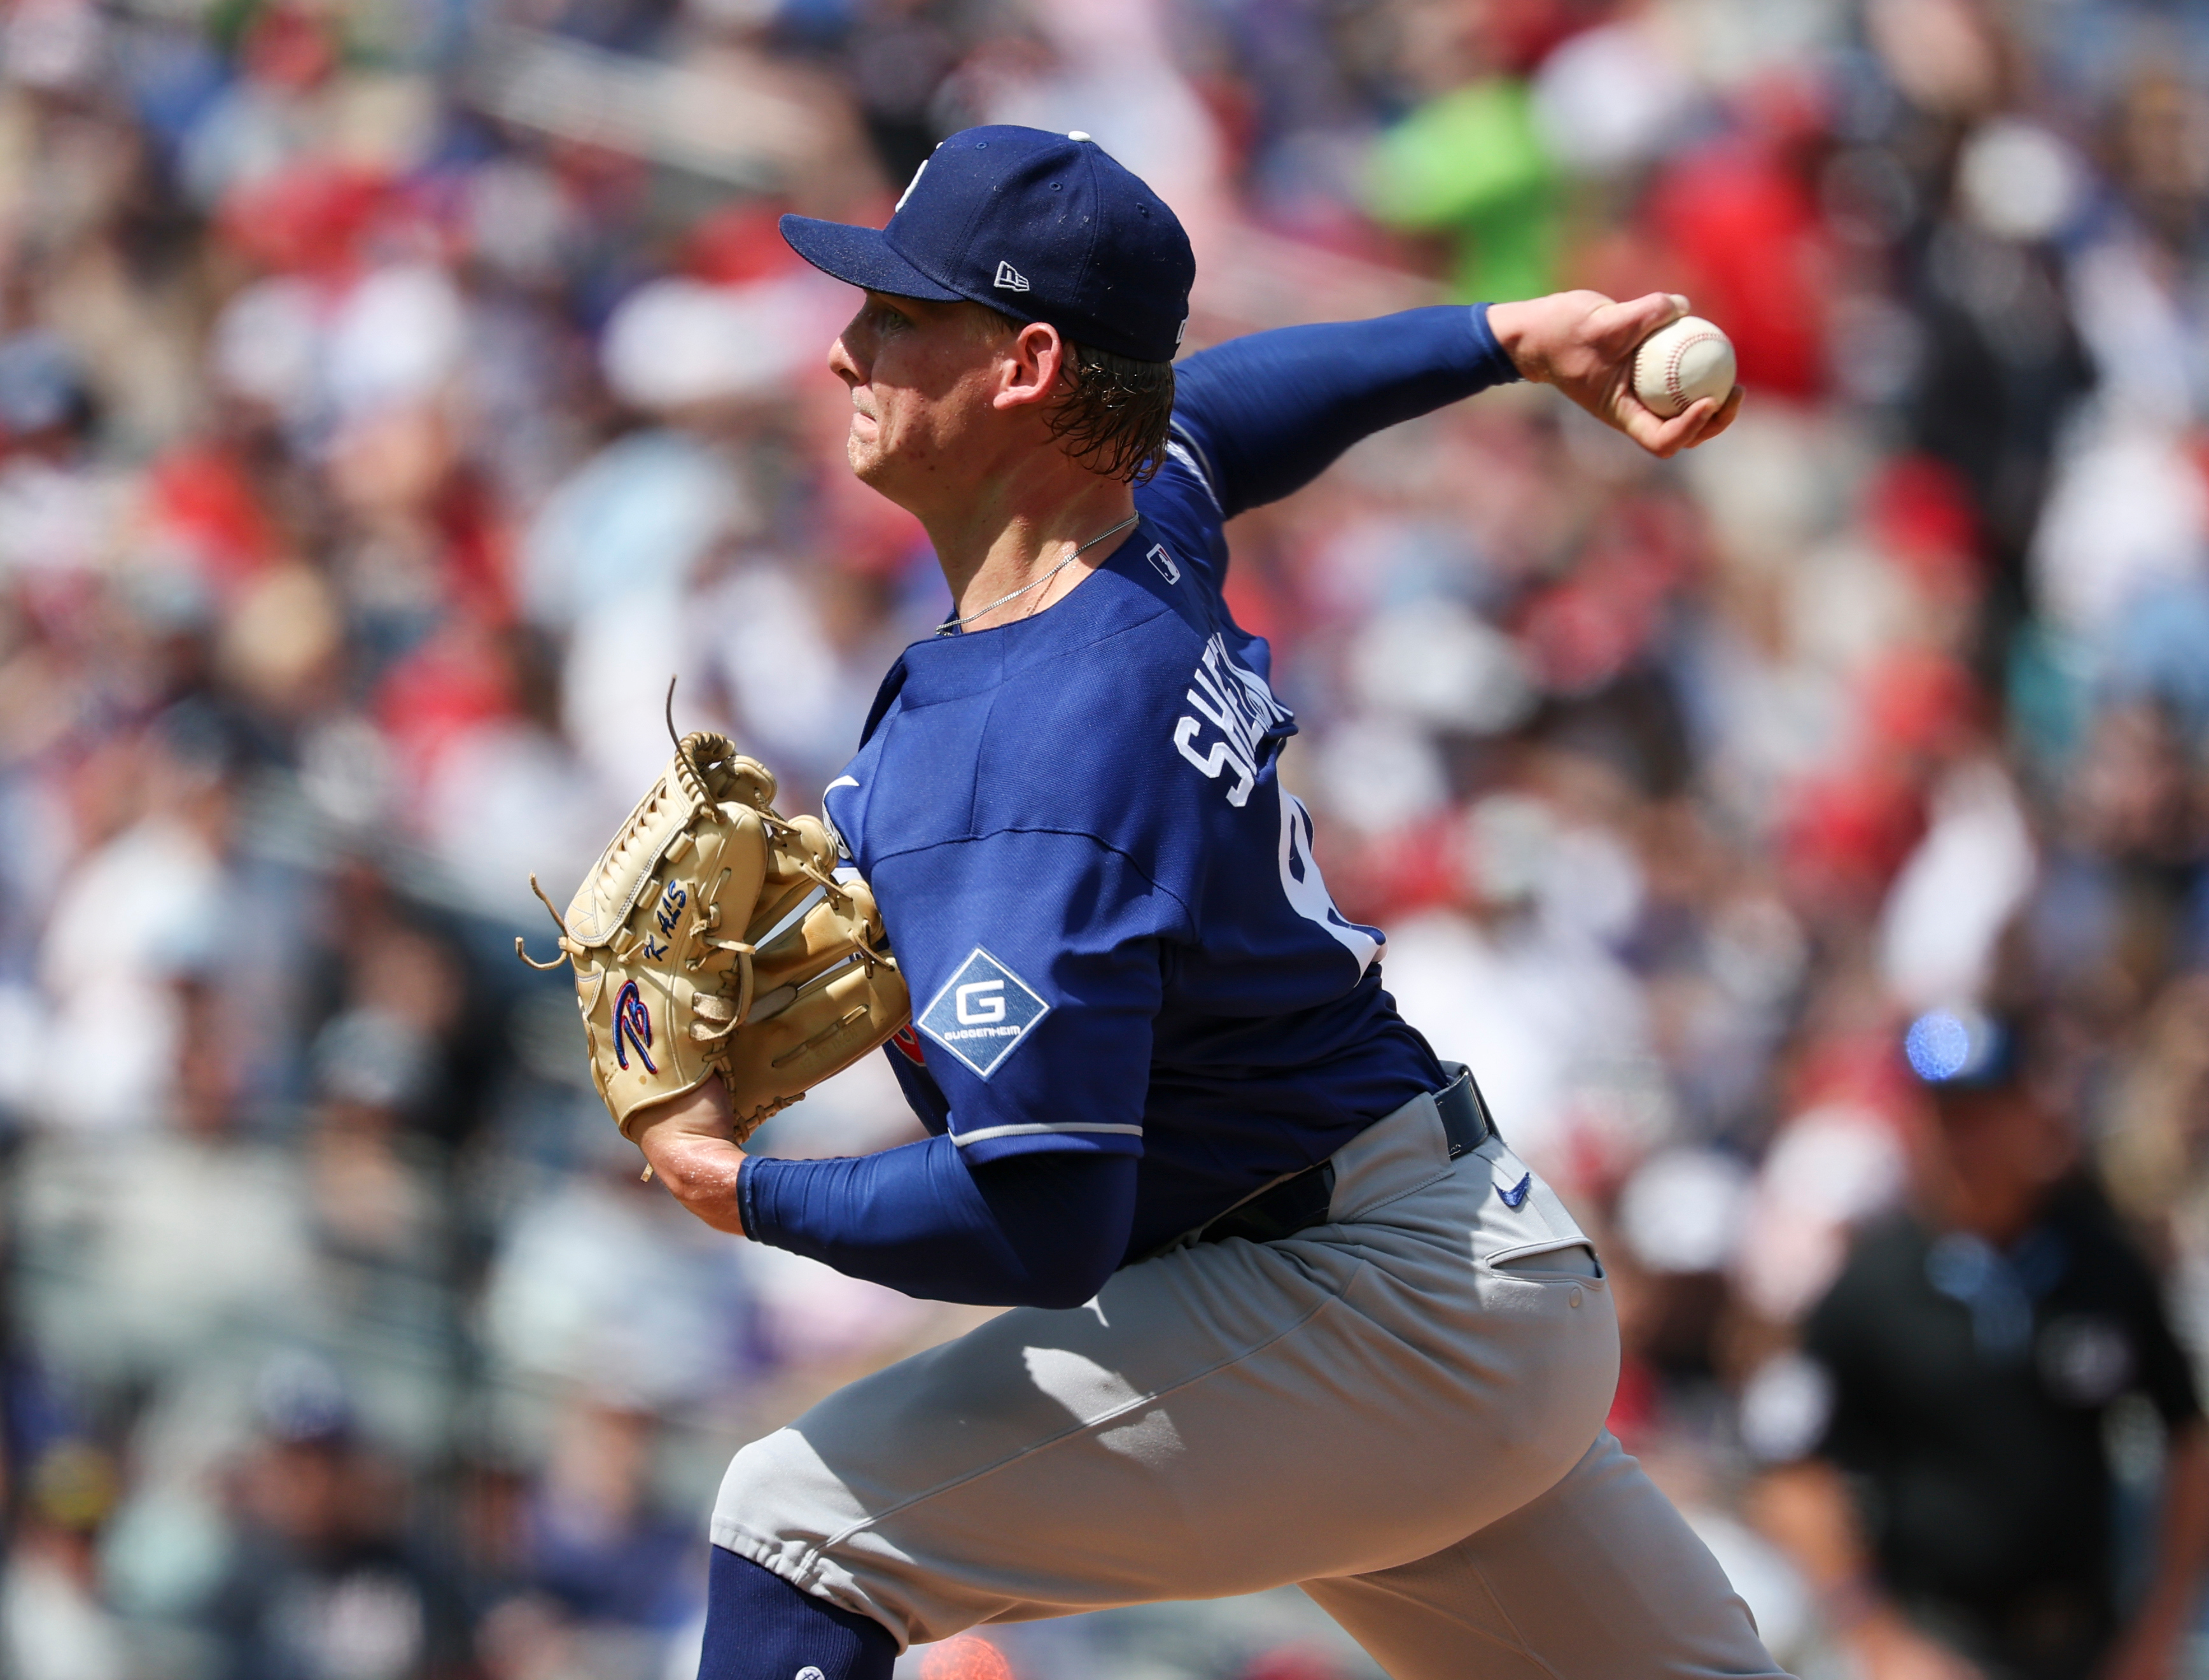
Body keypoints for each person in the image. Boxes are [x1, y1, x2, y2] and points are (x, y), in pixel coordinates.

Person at [624, 125, 1761, 1680]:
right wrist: (1498, 338)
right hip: (1445, 1281)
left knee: (790, 1524)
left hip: (1358, 1316)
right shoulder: (1131, 537)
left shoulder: (1029, 753)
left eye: (897, 313)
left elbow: (1044, 1220)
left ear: (1025, 366)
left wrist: (729, 1186)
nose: (843, 349)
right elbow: (1226, 407)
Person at [1755, 1011, 2209, 1680]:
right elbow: (1792, 1472)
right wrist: (1877, 1638)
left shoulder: (2102, 1268)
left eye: (1984, 1114)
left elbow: (2194, 1447)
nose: (1964, 1140)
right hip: (1938, 1639)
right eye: (1946, 1116)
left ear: (2028, 1116)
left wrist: (2163, 1623)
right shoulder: (1873, 1287)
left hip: (2086, 1641)